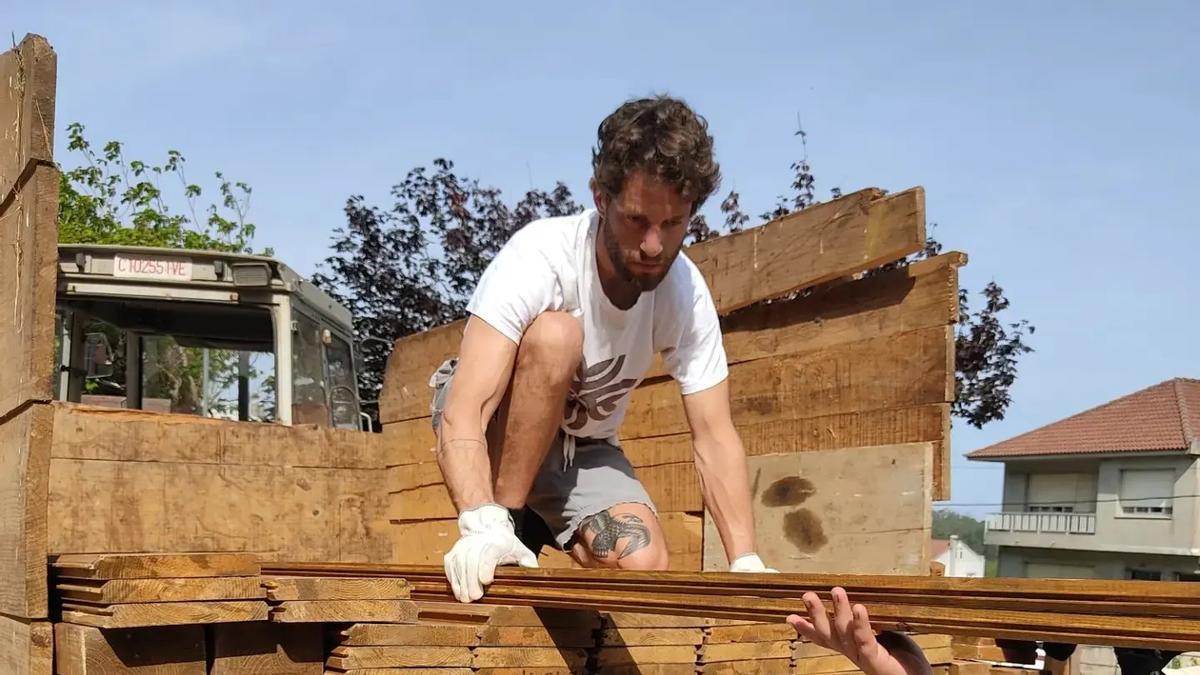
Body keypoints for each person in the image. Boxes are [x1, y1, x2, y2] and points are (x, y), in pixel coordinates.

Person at [430, 94, 775, 604]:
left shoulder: (685, 294)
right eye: (637, 220)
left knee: (642, 561)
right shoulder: (541, 256)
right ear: (600, 198)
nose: (655, 245)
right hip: (496, 420)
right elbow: (467, 407)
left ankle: (527, 526)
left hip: (581, 447)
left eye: (673, 224)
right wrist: (483, 522)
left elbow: (714, 435)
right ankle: (507, 520)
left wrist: (746, 562)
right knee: (555, 336)